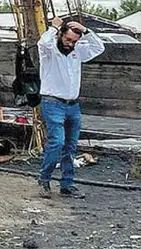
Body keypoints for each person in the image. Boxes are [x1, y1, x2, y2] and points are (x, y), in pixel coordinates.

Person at [37, 16, 105, 199]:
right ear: (60, 35)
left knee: (71, 146)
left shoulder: (77, 52)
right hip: (53, 102)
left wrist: (86, 31)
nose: (70, 44)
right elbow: (43, 43)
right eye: (67, 39)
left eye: (74, 41)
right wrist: (53, 28)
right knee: (57, 142)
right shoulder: (50, 51)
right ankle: (44, 179)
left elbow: (99, 47)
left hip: (72, 104)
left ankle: (67, 184)